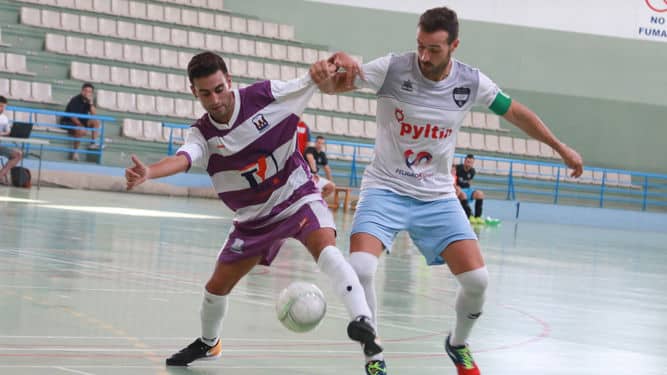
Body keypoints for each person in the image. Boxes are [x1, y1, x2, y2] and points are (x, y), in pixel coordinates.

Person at [312, 6, 583, 375]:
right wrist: (328, 72)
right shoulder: (393, 68)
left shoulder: (471, 82)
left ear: (454, 45)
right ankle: (374, 358)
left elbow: (515, 112)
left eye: (434, 49)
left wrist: (561, 147)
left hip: (436, 195)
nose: (424, 56)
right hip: (385, 188)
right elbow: (338, 85)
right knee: (360, 268)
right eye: (420, 46)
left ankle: (458, 343)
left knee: (477, 281)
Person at [124, 51, 382, 367]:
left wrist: (326, 67)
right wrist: (150, 172)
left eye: (219, 89)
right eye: (205, 93)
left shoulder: (264, 96)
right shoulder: (202, 134)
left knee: (325, 248)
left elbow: (309, 81)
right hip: (253, 219)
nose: (215, 99)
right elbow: (183, 158)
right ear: (194, 93)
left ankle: (363, 320)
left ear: (229, 81)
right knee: (215, 289)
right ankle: (209, 343)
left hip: (296, 196)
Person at [61, 82, 100, 161]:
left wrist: (91, 103)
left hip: (81, 121)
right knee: (81, 130)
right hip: (68, 122)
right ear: (82, 91)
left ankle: (93, 143)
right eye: (86, 91)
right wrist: (81, 126)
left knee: (96, 122)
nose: (87, 93)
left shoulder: (88, 101)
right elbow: (72, 116)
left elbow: (94, 114)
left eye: (89, 92)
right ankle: (75, 152)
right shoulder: (75, 100)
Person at [0, 96, 24, 183]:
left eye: (3, 107)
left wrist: (9, 133)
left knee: (18, 155)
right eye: (0, 106)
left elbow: (8, 132)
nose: (2, 108)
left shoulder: (4, 118)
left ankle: (1, 175)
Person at [456, 154, 484, 223]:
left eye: (471, 163)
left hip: (467, 190)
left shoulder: (472, 171)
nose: (469, 164)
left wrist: (471, 192)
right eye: (468, 162)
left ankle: (478, 217)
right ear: (464, 161)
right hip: (458, 190)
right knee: (463, 195)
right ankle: (470, 216)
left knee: (480, 194)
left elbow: (469, 182)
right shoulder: (457, 168)